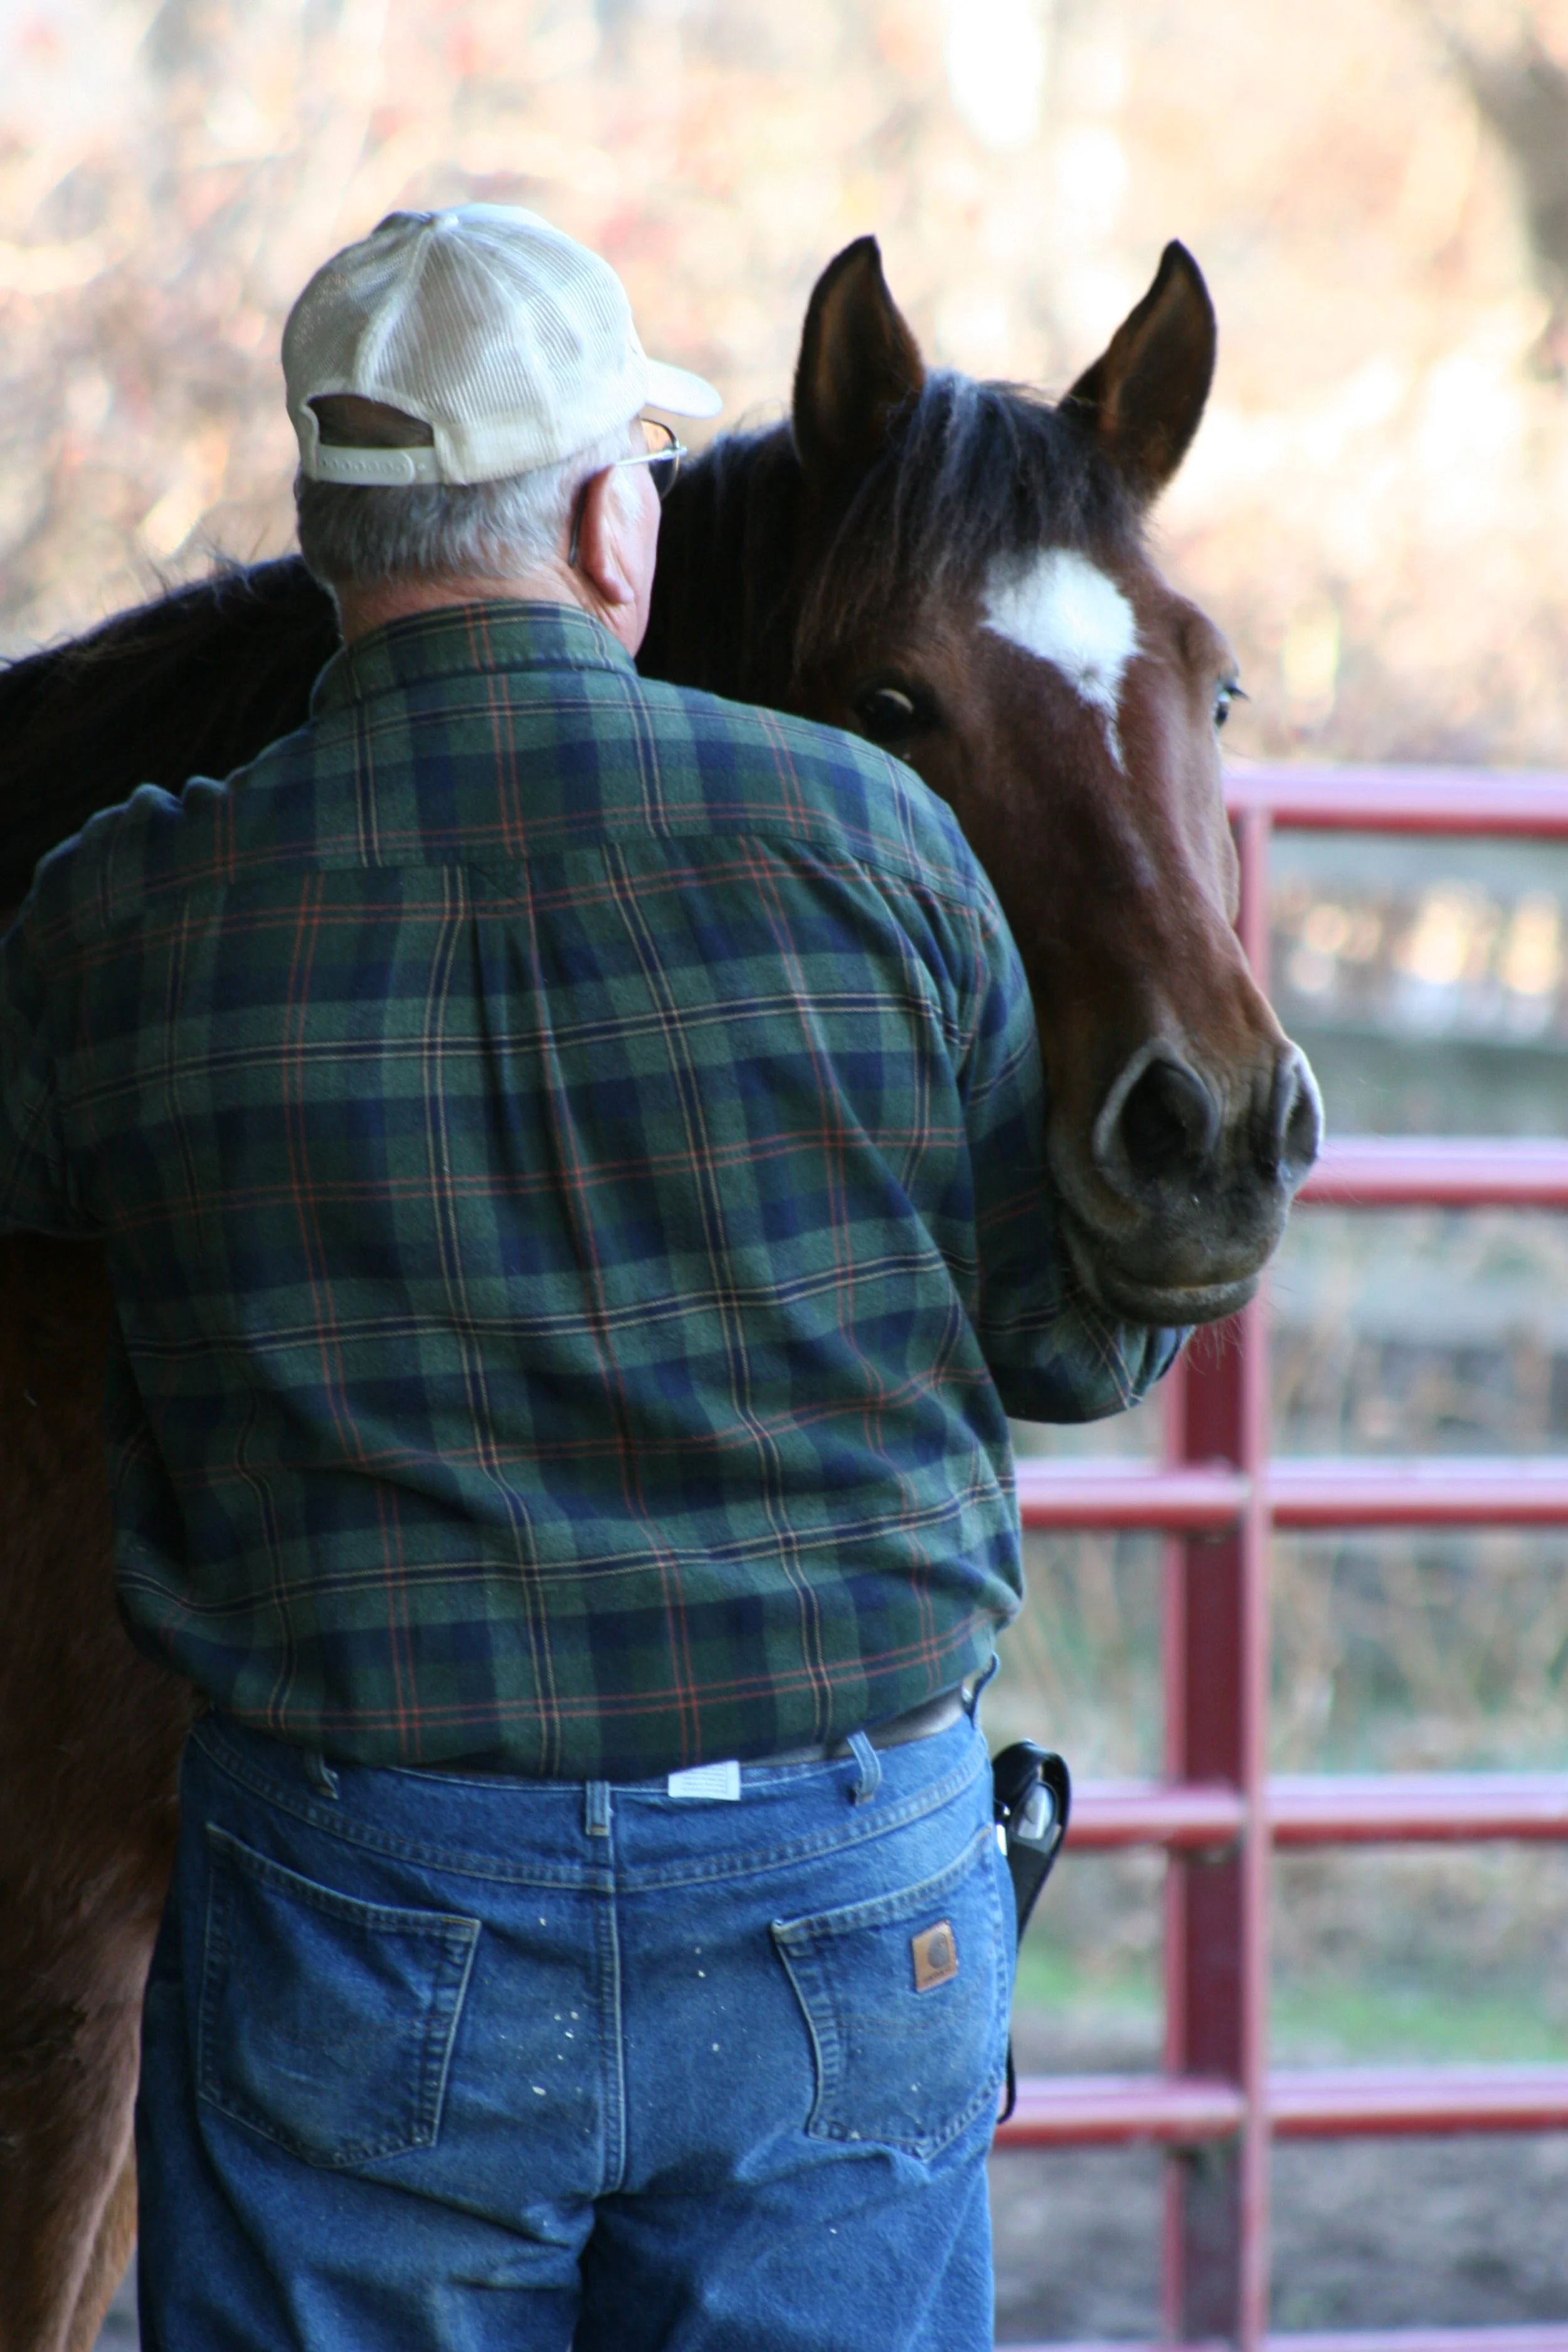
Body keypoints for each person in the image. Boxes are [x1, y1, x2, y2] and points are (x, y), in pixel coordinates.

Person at [0, 206, 1177, 2350]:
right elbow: (1066, 1330)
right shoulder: (875, 845)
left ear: (326, 536)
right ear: (611, 521)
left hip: (378, 1900)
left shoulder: (128, 912)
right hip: (845, 1886)